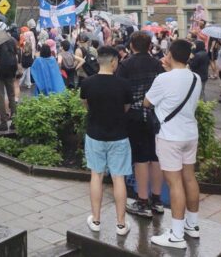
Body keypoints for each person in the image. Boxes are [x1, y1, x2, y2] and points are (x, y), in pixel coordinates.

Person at [144, 39, 201, 249]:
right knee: (189, 178)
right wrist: (170, 69)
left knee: (175, 183)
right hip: (190, 134)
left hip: (170, 137)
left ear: (169, 54)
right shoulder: (196, 78)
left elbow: (147, 102)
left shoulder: (162, 79)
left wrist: (166, 71)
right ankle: (192, 225)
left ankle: (176, 235)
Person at [81, 46, 132, 236]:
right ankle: (120, 224)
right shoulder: (124, 85)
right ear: (114, 62)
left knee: (96, 175)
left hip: (95, 134)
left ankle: (95, 220)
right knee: (119, 178)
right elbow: (126, 107)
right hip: (119, 136)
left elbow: (86, 105)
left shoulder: (87, 83)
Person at [116, 31, 165, 219]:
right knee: (156, 157)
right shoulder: (157, 64)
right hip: (156, 116)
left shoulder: (125, 65)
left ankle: (142, 201)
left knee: (140, 159)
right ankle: (157, 200)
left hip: (135, 116)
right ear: (150, 46)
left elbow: (121, 92)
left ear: (132, 46)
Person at [0, 34, 19, 131]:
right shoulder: (12, 40)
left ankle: (3, 123)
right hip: (11, 71)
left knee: (1, 96)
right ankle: (15, 122)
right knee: (11, 96)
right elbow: (16, 56)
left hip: (0, 73)